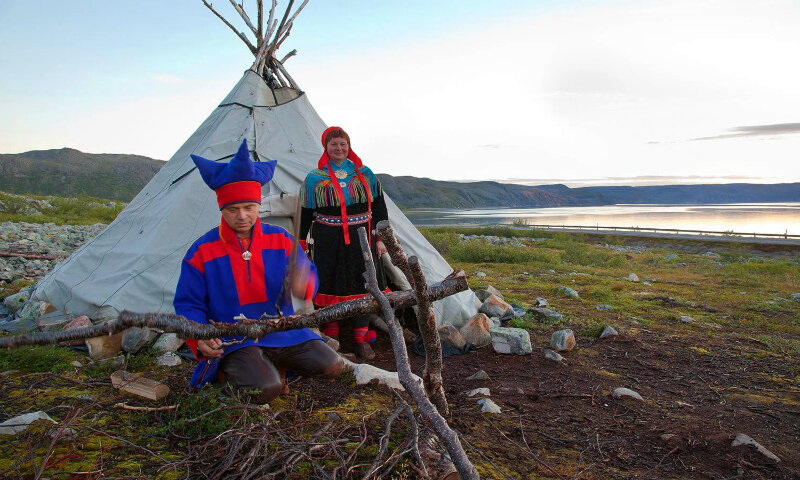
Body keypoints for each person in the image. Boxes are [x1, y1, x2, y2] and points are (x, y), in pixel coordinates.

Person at [175, 139, 343, 404]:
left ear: (258, 206)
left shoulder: (281, 240)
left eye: (249, 208)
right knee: (266, 390)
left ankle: (276, 367)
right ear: (222, 209)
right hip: (235, 338)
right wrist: (199, 338)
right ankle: (230, 375)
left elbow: (306, 275)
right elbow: (188, 304)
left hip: (281, 331)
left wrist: (305, 282)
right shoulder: (202, 251)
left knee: (332, 365)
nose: (242, 216)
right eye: (233, 209)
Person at [299, 126, 388, 360]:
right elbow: (306, 212)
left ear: (349, 147)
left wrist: (380, 238)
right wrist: (301, 242)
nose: (339, 148)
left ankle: (361, 339)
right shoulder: (314, 178)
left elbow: (379, 208)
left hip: (363, 237)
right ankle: (333, 338)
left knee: (364, 283)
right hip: (328, 240)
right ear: (326, 148)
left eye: (343, 144)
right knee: (330, 284)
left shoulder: (365, 174)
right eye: (334, 144)